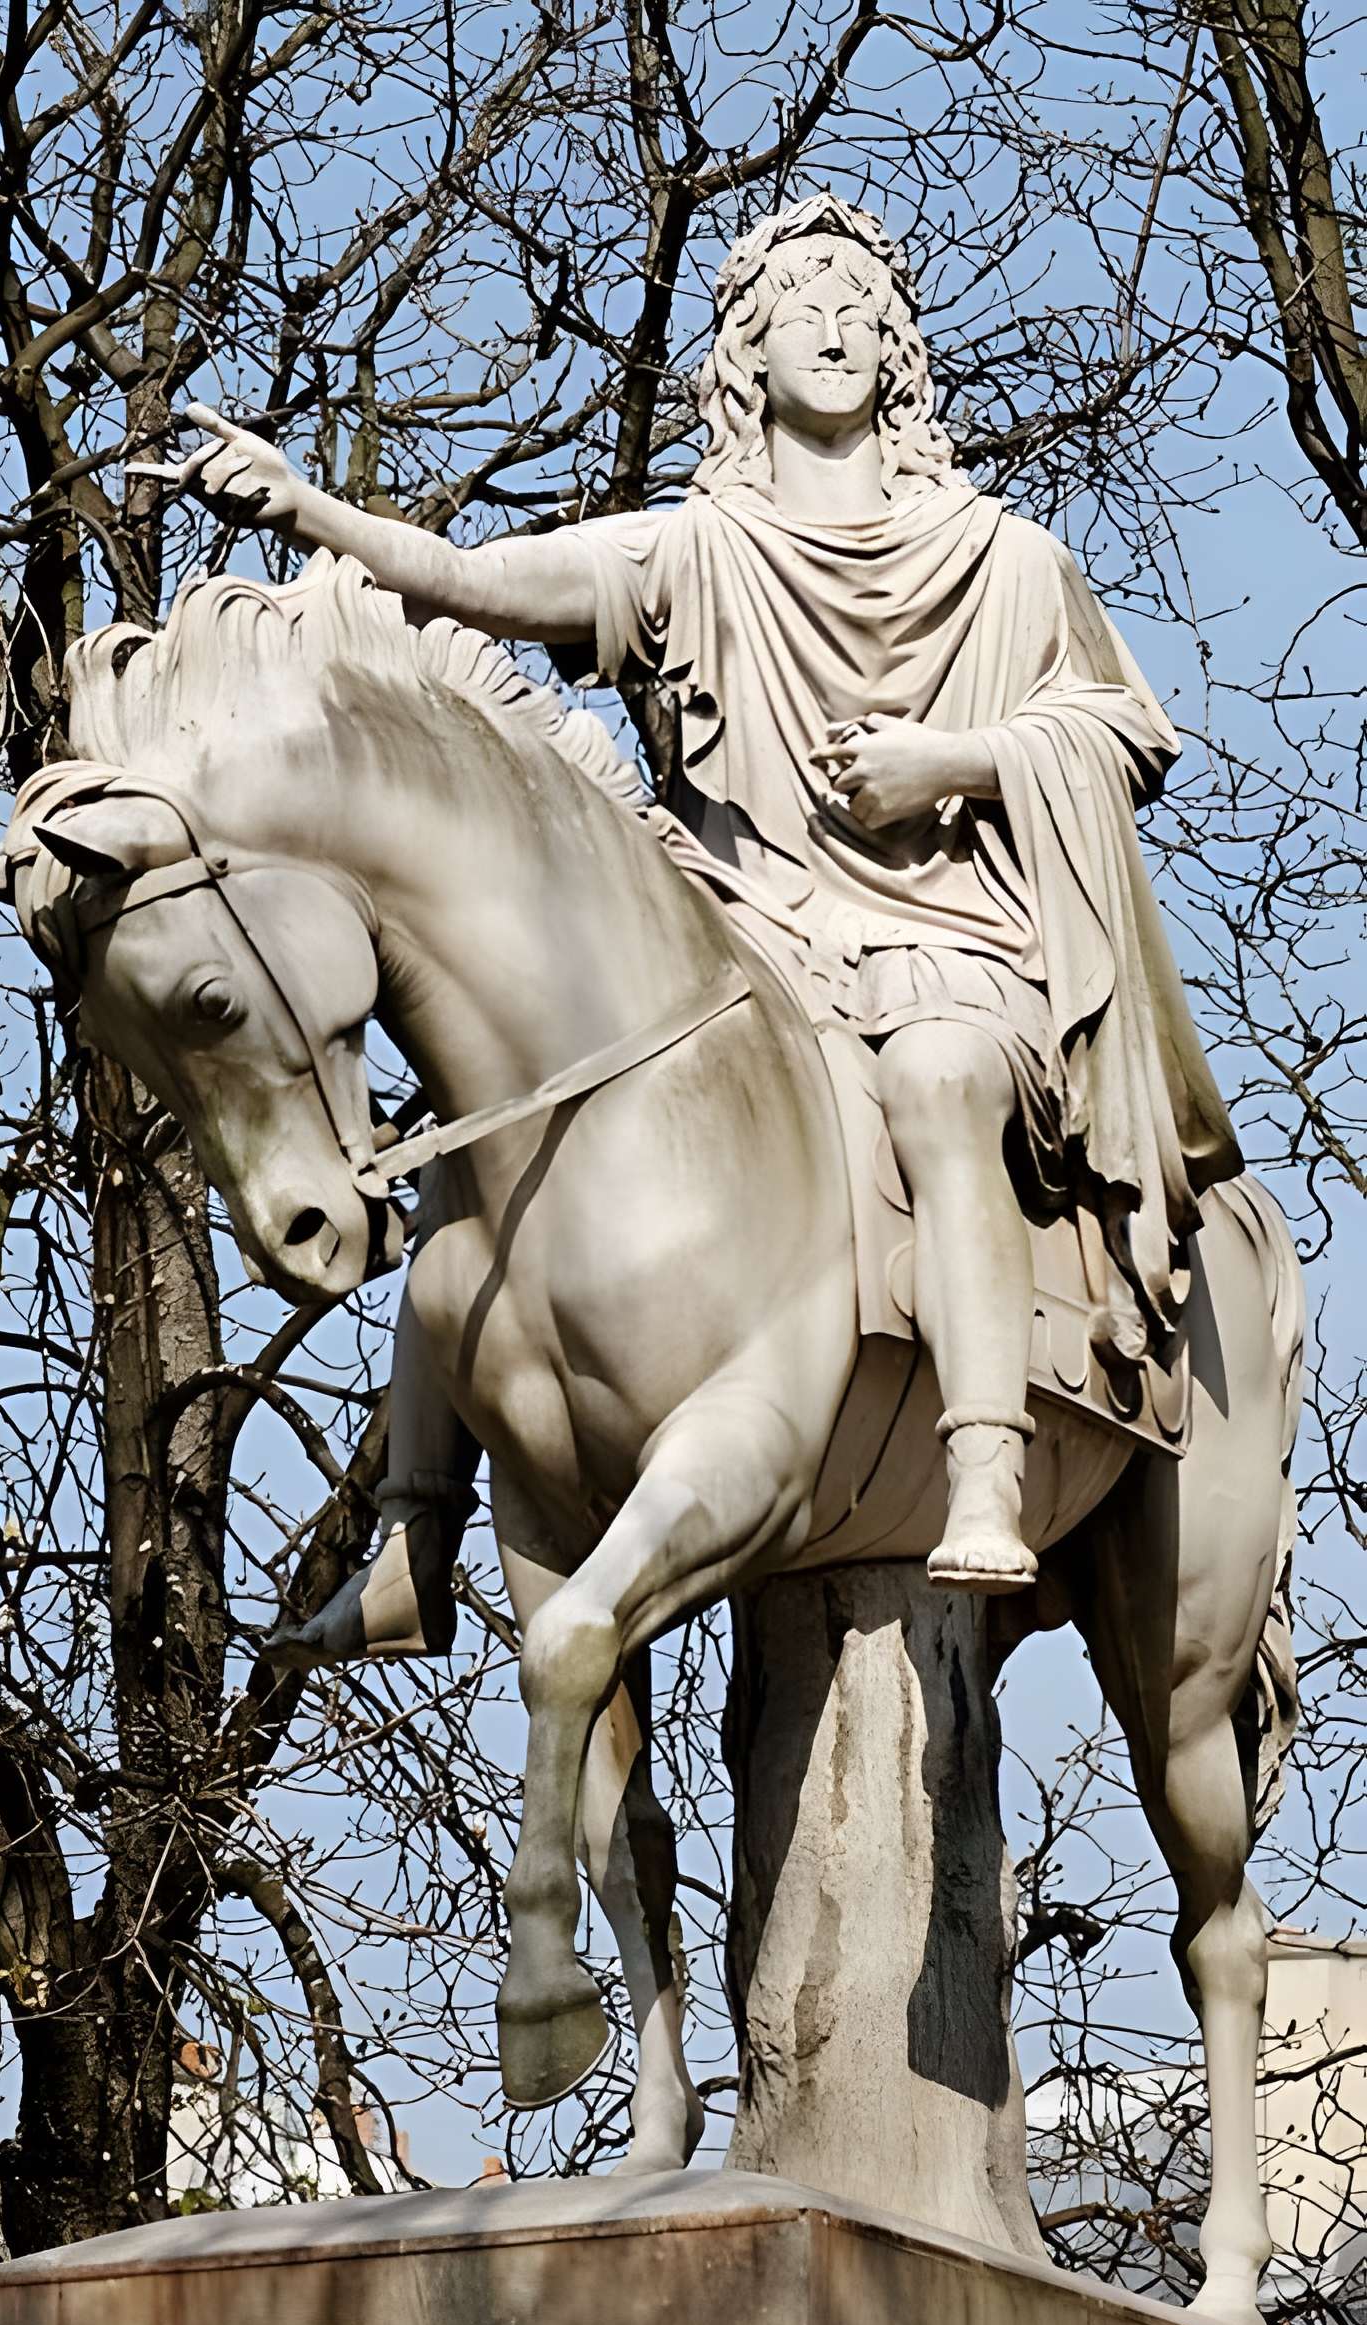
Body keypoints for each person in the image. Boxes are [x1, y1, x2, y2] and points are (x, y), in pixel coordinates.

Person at [157, 193, 1240, 1636]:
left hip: (949, 953)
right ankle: (416, 1536)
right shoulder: (696, 552)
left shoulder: (1009, 561)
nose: (840, 331)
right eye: (806, 309)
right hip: (758, 947)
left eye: (864, 308)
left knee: (936, 1075)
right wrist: (307, 509)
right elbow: (476, 583)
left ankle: (985, 1461)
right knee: (491, 1143)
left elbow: (1126, 735)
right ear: (747, 357)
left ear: (902, 354)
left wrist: (958, 760)